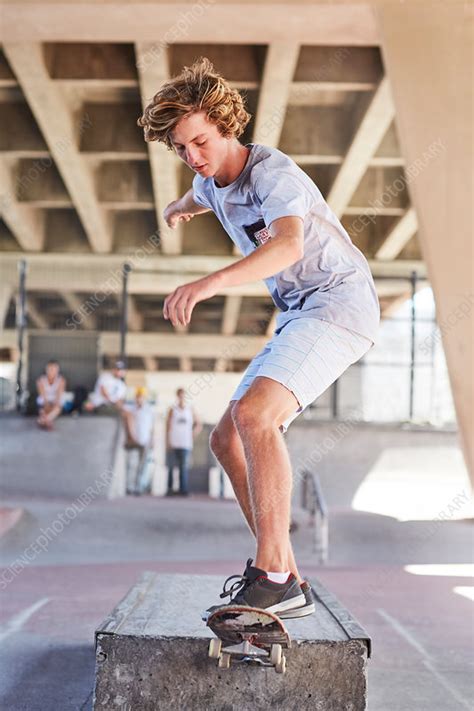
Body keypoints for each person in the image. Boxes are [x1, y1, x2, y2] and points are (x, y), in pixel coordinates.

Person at [137, 57, 380, 619]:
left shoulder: (274, 175)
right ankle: (288, 576)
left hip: (338, 302)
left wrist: (210, 282)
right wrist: (180, 206)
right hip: (299, 311)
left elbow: (289, 245)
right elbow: (204, 194)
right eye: (181, 149)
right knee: (225, 440)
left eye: (201, 141)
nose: (194, 156)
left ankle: (272, 574)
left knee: (255, 415)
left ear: (226, 126)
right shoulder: (206, 180)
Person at [165, 387, 202, 496]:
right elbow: (168, 425)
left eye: (183, 395)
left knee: (183, 467)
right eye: (179, 395)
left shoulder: (190, 409)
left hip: (185, 443)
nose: (181, 397)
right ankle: (170, 489)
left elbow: (198, 424)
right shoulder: (172, 409)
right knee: (171, 466)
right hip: (174, 441)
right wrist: (167, 441)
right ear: (177, 396)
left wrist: (192, 434)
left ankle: (183, 489)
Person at [123, 386, 155, 496]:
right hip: (133, 441)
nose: (139, 399)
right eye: (138, 396)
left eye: (141, 397)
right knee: (132, 464)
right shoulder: (131, 409)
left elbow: (151, 427)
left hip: (145, 441)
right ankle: (129, 486)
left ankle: (138, 487)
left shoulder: (149, 410)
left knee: (142, 466)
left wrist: (152, 441)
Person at [36, 359, 66, 430]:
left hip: (55, 398)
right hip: (45, 398)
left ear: (57, 370)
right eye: (50, 369)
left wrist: (55, 403)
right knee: (42, 407)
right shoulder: (40, 380)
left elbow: (59, 395)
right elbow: (42, 395)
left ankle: (45, 420)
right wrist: (47, 405)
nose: (52, 371)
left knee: (58, 407)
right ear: (46, 370)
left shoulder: (61, 380)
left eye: (54, 369)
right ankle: (48, 420)